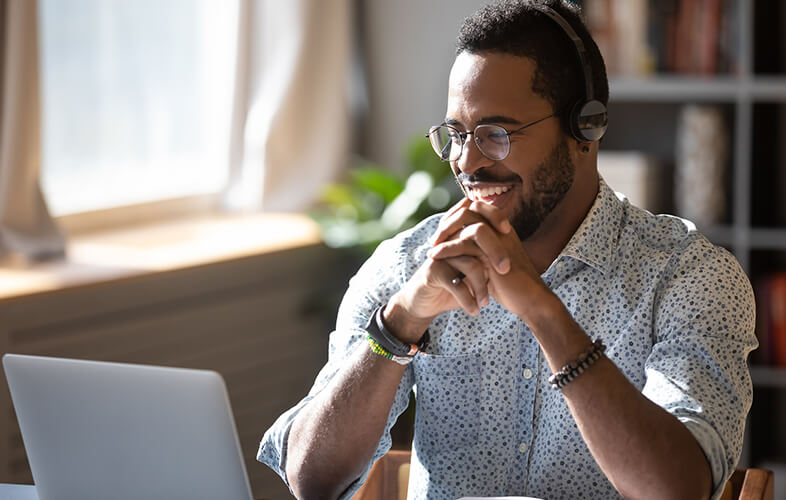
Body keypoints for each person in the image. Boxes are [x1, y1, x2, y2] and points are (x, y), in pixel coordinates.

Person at [258, 1, 757, 498]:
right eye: (456, 134)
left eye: (496, 134)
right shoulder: (409, 265)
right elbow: (312, 482)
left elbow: (679, 489)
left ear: (585, 128)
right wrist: (400, 323)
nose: (466, 162)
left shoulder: (689, 277)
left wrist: (542, 310)